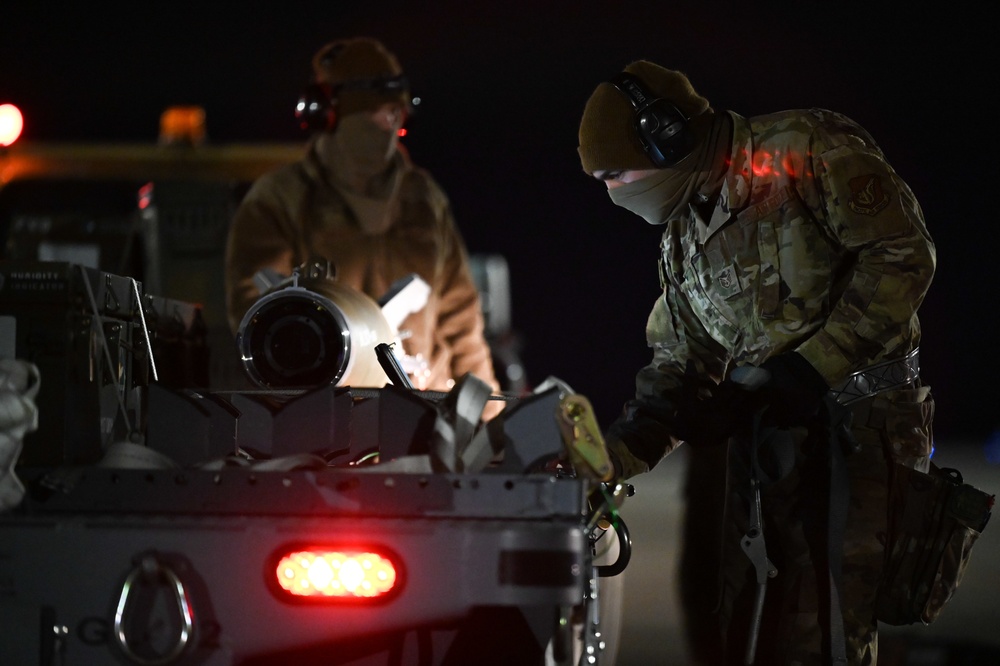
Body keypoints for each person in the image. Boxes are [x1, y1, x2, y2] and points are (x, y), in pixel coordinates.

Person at [577, 60, 936, 665]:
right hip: (772, 449)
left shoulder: (806, 148)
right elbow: (681, 369)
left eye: (616, 173)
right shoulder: (684, 232)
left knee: (827, 634)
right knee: (751, 633)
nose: (614, 192)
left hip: (861, 434)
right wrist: (605, 463)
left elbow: (903, 255)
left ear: (669, 135)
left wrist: (808, 370)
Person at [224, 37, 500, 400]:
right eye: (372, 116)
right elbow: (257, 317)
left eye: (394, 116)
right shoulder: (281, 199)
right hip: (324, 415)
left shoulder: (422, 198)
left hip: (423, 407)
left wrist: (487, 420)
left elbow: (461, 319)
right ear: (329, 115)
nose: (385, 128)